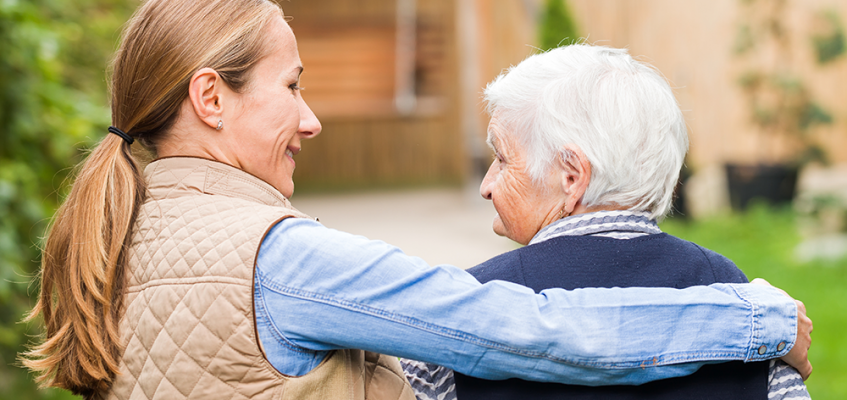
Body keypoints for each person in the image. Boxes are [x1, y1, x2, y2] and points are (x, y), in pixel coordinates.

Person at [22, 1, 810, 399]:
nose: (310, 118)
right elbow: (532, 333)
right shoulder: (277, 258)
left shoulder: (122, 232)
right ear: (210, 97)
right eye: (291, 87)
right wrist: (761, 320)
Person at [400, 44, 811, 400]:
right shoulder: (744, 303)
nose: (486, 186)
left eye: (503, 159)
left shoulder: (462, 310)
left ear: (572, 176)